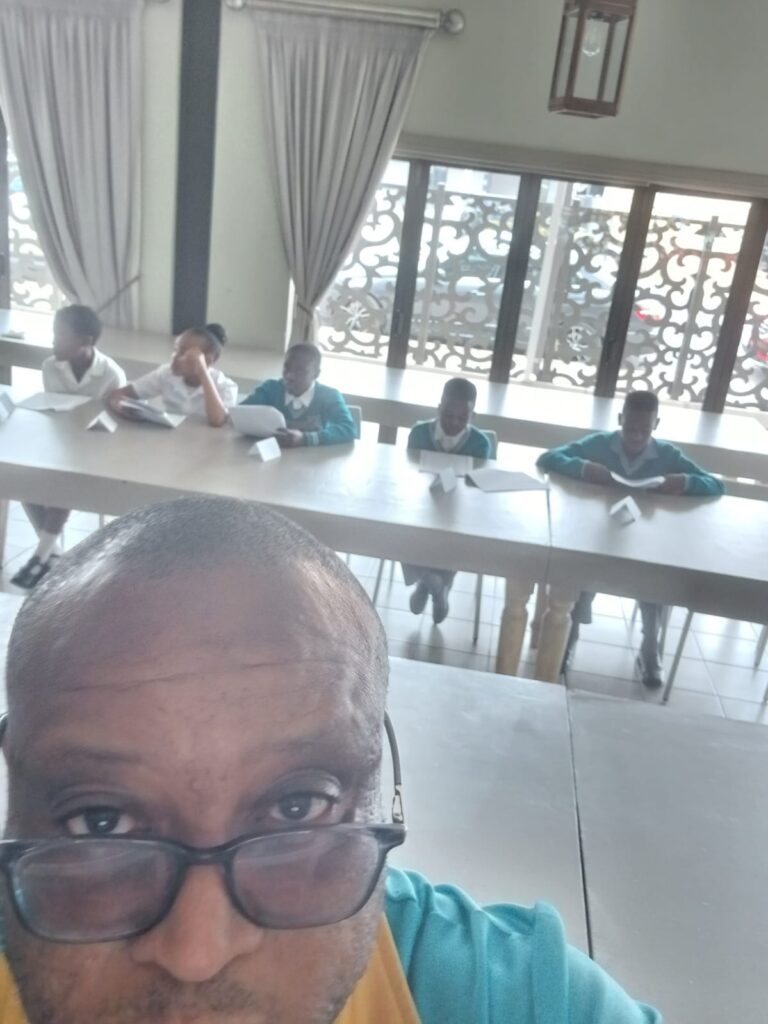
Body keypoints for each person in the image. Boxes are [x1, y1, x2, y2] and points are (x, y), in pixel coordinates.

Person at [0, 496, 660, 1024]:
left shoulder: (512, 1000)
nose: (197, 952)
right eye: (101, 821)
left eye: (296, 808)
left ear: (379, 787)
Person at [536, 389, 724, 687]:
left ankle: (649, 647)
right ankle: (570, 636)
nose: (636, 436)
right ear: (620, 419)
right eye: (630, 428)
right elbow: (548, 458)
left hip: (648, 543)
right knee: (582, 573)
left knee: (656, 581)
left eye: (644, 430)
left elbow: (715, 484)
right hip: (601, 536)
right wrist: (584, 468)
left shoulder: (667, 455)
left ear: (656, 425)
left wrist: (683, 482)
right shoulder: (600, 445)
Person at [10, 305, 126, 591]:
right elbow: (54, 410)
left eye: (61, 336)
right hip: (60, 441)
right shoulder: (51, 366)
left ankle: (41, 556)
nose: (53, 342)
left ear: (86, 341)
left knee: (63, 481)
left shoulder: (111, 374)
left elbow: (112, 422)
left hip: (97, 448)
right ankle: (53, 552)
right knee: (24, 477)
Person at [404, 377, 492, 623]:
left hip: (459, 510)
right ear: (438, 408)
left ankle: (432, 582)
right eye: (448, 415)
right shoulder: (419, 433)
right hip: (420, 504)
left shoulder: (480, 443)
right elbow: (407, 471)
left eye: (462, 418)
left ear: (473, 416)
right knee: (404, 527)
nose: (454, 423)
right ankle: (434, 583)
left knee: (456, 535)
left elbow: (476, 485)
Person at [108, 324, 236, 427]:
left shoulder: (226, 386)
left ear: (207, 361)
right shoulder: (166, 373)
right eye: (175, 350)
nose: (174, 357)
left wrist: (202, 372)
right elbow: (119, 393)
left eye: (183, 353)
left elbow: (218, 420)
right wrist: (117, 403)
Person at [240, 342, 356, 447]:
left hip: (313, 460)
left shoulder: (329, 396)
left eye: (300, 371)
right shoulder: (271, 389)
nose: (289, 376)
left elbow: (349, 429)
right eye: (286, 368)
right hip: (273, 458)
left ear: (316, 374)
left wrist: (305, 439)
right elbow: (240, 414)